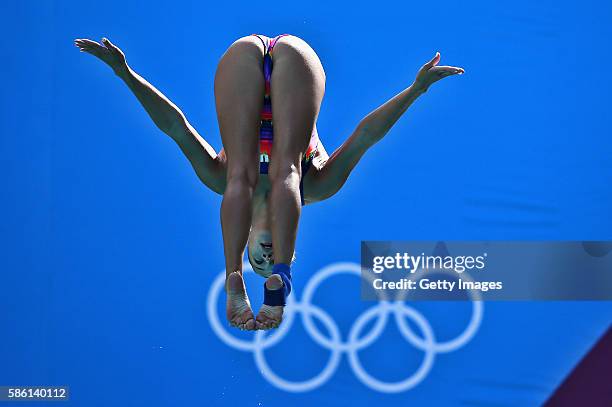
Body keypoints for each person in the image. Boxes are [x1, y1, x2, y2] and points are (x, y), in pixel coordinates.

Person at [74, 34, 464, 331]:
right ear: (287, 248)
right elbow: (366, 136)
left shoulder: (217, 178)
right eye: (271, 259)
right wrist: (415, 91)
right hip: (296, 61)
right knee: (287, 172)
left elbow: (175, 127)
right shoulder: (319, 187)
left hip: (241, 60)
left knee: (238, 177)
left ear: (246, 242)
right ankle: (277, 281)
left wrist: (125, 74)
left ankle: (234, 277)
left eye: (256, 259)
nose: (264, 253)